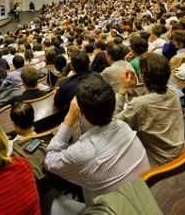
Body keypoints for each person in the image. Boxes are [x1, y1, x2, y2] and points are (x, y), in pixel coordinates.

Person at [45, 74, 150, 207]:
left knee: (49, 197)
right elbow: (114, 115)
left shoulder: (82, 152)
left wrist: (68, 120)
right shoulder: (124, 127)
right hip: (143, 199)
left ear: (81, 112)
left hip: (112, 209)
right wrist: (122, 91)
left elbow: (49, 160)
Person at [115, 53, 185, 166]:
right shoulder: (172, 91)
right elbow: (149, 100)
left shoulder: (139, 104)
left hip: (160, 162)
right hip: (180, 150)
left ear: (142, 75)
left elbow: (114, 125)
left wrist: (122, 91)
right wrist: (132, 89)